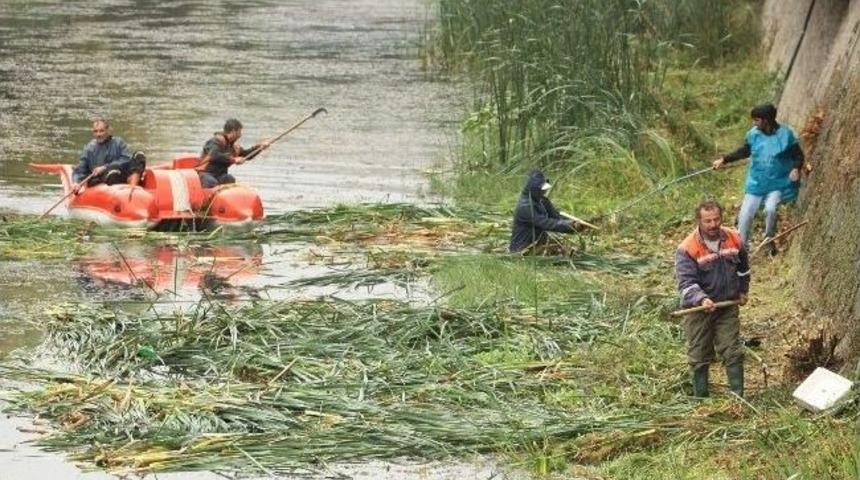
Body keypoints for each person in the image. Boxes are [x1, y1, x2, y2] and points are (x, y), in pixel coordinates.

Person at [675, 200, 750, 398]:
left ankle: (738, 398)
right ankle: (701, 399)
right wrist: (701, 299)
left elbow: (743, 269)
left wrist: (743, 290)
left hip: (727, 306)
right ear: (698, 221)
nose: (713, 224)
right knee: (699, 354)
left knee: (732, 351)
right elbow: (686, 284)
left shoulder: (734, 238)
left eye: (716, 219)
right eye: (707, 221)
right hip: (699, 311)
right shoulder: (687, 248)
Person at [713, 103, 804, 253]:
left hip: (777, 184)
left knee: (770, 209)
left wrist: (795, 168)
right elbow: (744, 151)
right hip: (756, 183)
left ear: (766, 120)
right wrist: (724, 159)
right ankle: (742, 248)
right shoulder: (753, 135)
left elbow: (798, 155)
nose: (754, 123)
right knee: (745, 214)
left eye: (756, 120)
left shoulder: (786, 135)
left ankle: (769, 241)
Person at [508, 169, 583, 253]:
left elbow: (556, 217)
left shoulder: (542, 201)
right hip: (523, 248)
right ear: (534, 189)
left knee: (569, 250)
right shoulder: (525, 207)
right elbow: (546, 223)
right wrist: (571, 226)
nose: (545, 191)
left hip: (538, 242)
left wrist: (577, 222)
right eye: (542, 189)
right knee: (564, 252)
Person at [72, 118, 146, 191]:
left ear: (108, 131)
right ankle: (126, 190)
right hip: (104, 178)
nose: (98, 134)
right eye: (95, 131)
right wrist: (76, 182)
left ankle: (132, 187)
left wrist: (105, 167)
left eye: (101, 131)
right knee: (113, 171)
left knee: (139, 155)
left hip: (122, 172)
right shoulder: (89, 148)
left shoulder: (119, 142)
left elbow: (126, 159)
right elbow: (80, 170)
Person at [196, 118, 271, 188]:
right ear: (233, 131)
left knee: (230, 179)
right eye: (239, 132)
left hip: (220, 175)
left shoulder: (234, 147)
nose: (240, 135)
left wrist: (259, 147)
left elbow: (246, 155)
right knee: (211, 182)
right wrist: (234, 160)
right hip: (205, 173)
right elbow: (215, 155)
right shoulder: (215, 141)